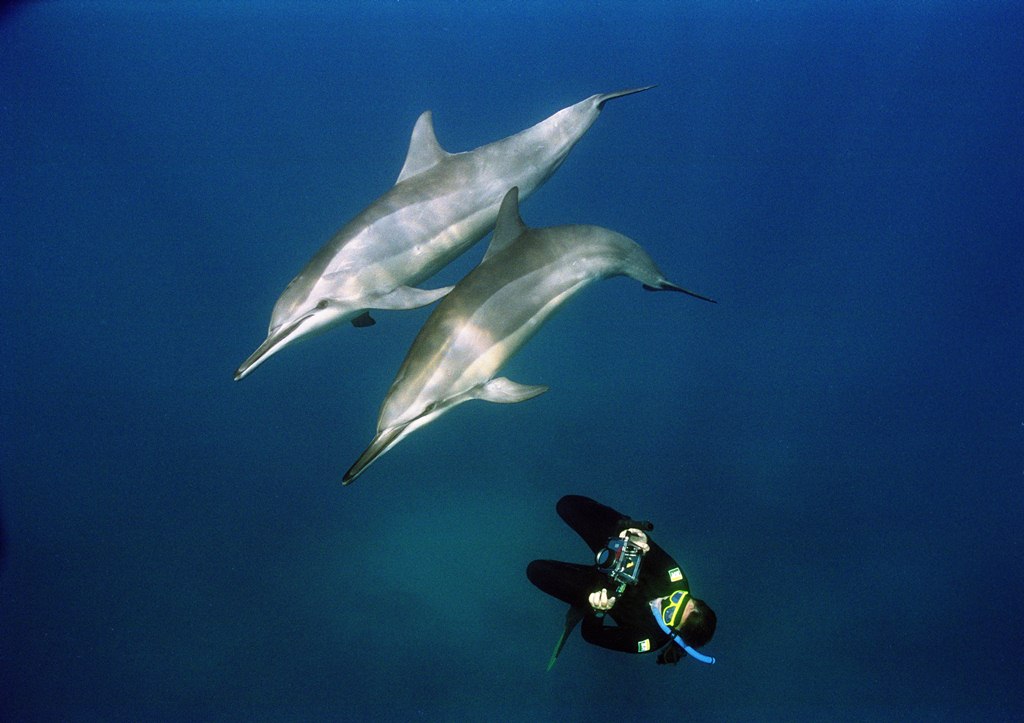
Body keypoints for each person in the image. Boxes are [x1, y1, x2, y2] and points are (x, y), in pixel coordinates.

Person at [527, 494, 717, 668]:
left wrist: (598, 611)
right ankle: (623, 523)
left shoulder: (647, 640)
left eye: (670, 614)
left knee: (535, 570)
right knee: (567, 505)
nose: (666, 601)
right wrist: (633, 533)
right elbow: (646, 545)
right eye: (678, 598)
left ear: (672, 632)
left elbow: (591, 636)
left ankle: (581, 605)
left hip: (598, 591)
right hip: (617, 553)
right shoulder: (674, 577)